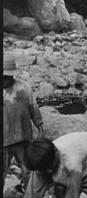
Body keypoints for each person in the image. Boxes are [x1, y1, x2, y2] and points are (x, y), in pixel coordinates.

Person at [3, 53, 44, 190]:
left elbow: (34, 108)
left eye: (7, 76)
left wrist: (40, 128)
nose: (4, 79)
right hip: (3, 141)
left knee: (27, 169)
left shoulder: (24, 88)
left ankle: (28, 194)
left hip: (22, 137)